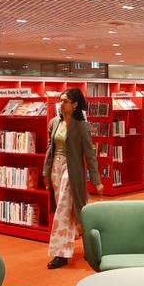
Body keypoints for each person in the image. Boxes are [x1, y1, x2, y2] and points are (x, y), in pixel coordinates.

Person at [42, 88, 102, 269]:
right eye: (60, 100)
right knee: (72, 211)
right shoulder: (54, 123)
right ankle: (91, 246)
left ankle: (60, 253)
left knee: (63, 208)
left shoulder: (81, 126)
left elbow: (90, 154)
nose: (61, 104)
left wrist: (96, 179)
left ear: (75, 105)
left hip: (72, 170)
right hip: (56, 169)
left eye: (65, 101)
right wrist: (46, 172)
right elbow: (49, 149)